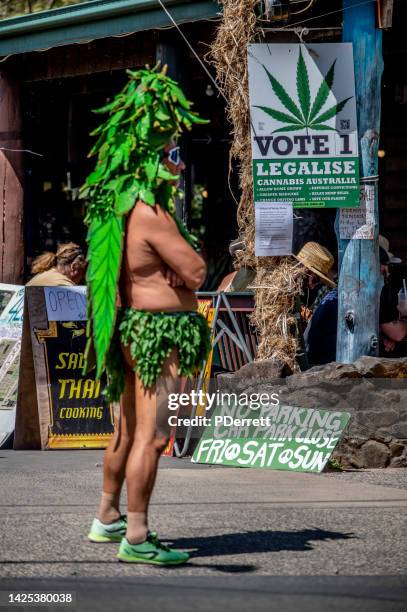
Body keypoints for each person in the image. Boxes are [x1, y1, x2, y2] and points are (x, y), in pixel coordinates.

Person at [84, 66, 211, 565]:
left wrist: (173, 268)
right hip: (157, 334)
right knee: (155, 436)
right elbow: (198, 269)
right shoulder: (150, 213)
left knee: (127, 430)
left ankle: (107, 515)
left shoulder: (112, 209)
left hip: (128, 331)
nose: (178, 166)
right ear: (149, 159)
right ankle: (136, 537)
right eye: (172, 155)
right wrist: (180, 269)